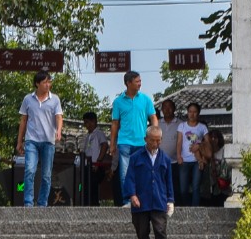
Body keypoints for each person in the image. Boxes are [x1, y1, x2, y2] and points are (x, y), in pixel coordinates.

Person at [122, 122, 175, 239]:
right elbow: (130, 177)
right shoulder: (135, 157)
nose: (155, 143)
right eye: (152, 140)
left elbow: (168, 181)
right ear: (146, 139)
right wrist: (132, 195)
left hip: (159, 198)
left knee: (160, 229)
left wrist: (170, 200)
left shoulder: (165, 158)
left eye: (158, 140)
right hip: (141, 199)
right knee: (142, 229)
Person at [15, 70, 63, 208]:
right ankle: (28, 202)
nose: (48, 85)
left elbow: (59, 117)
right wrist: (20, 141)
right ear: (37, 84)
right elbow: (23, 121)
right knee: (30, 170)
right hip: (32, 141)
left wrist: (58, 131)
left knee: (46, 175)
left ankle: (42, 204)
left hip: (48, 141)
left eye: (49, 81)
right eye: (45, 82)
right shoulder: (28, 99)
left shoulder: (55, 99)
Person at [107, 69, 155, 204]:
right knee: (124, 174)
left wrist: (154, 132)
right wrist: (112, 144)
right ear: (128, 83)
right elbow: (115, 123)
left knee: (143, 172)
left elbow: (153, 117)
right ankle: (127, 201)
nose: (140, 84)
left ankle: (141, 199)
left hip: (142, 142)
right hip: (124, 142)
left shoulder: (146, 99)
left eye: (140, 81)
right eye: (137, 81)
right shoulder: (118, 102)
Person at [175, 102, 209, 206]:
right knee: (183, 189)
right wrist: (178, 156)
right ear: (187, 112)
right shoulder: (182, 126)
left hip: (197, 161)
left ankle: (195, 210)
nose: (192, 114)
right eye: (190, 111)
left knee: (196, 187)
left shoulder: (202, 127)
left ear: (198, 113)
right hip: (184, 160)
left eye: (194, 112)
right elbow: (179, 141)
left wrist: (199, 146)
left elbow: (207, 143)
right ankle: (186, 209)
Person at [78, 110, 108, 206]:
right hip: (87, 165)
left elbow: (104, 145)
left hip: (95, 165)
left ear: (94, 121)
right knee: (83, 186)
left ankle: (94, 206)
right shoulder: (88, 136)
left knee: (93, 188)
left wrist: (98, 161)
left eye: (89, 122)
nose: (87, 125)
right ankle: (86, 205)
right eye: (86, 123)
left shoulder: (99, 133)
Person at [156, 97, 183, 199]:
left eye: (169, 107)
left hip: (175, 161)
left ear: (174, 108)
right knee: (160, 185)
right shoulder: (157, 123)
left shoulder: (180, 123)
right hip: (159, 160)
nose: (167, 110)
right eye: (165, 108)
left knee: (174, 186)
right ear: (162, 110)